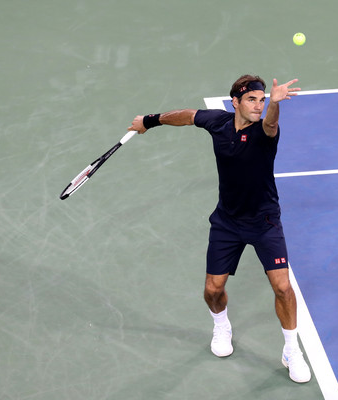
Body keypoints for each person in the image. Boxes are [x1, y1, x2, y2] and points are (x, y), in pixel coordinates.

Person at [128, 75, 311, 383]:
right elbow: (187, 116)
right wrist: (151, 120)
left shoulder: (265, 131)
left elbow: (270, 125)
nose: (258, 105)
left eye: (262, 99)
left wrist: (275, 105)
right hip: (227, 222)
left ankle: (292, 350)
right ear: (235, 103)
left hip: (265, 222)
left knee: (282, 287)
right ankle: (221, 325)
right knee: (213, 290)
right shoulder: (218, 122)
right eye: (252, 100)